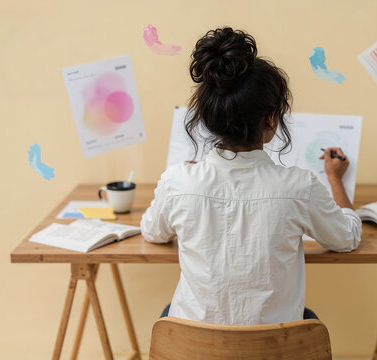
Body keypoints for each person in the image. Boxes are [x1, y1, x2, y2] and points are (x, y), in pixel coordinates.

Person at [141, 27, 361, 325]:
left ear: (209, 117)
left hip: (196, 348)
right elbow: (346, 237)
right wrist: (335, 179)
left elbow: (153, 232)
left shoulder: (177, 181)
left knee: (171, 316)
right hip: (274, 347)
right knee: (308, 322)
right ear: (271, 117)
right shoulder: (300, 186)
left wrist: (186, 186)